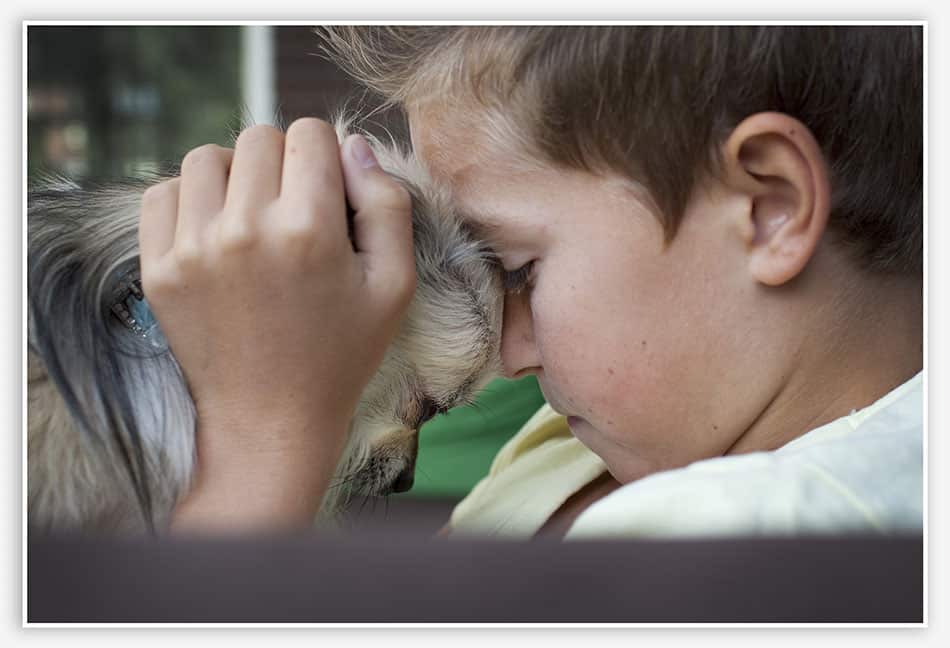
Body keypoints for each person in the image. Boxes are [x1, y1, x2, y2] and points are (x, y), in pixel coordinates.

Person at [143, 26, 923, 538]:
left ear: (770, 210)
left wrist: (258, 442)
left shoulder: (759, 532)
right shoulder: (614, 442)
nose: (510, 353)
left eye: (518, 269)